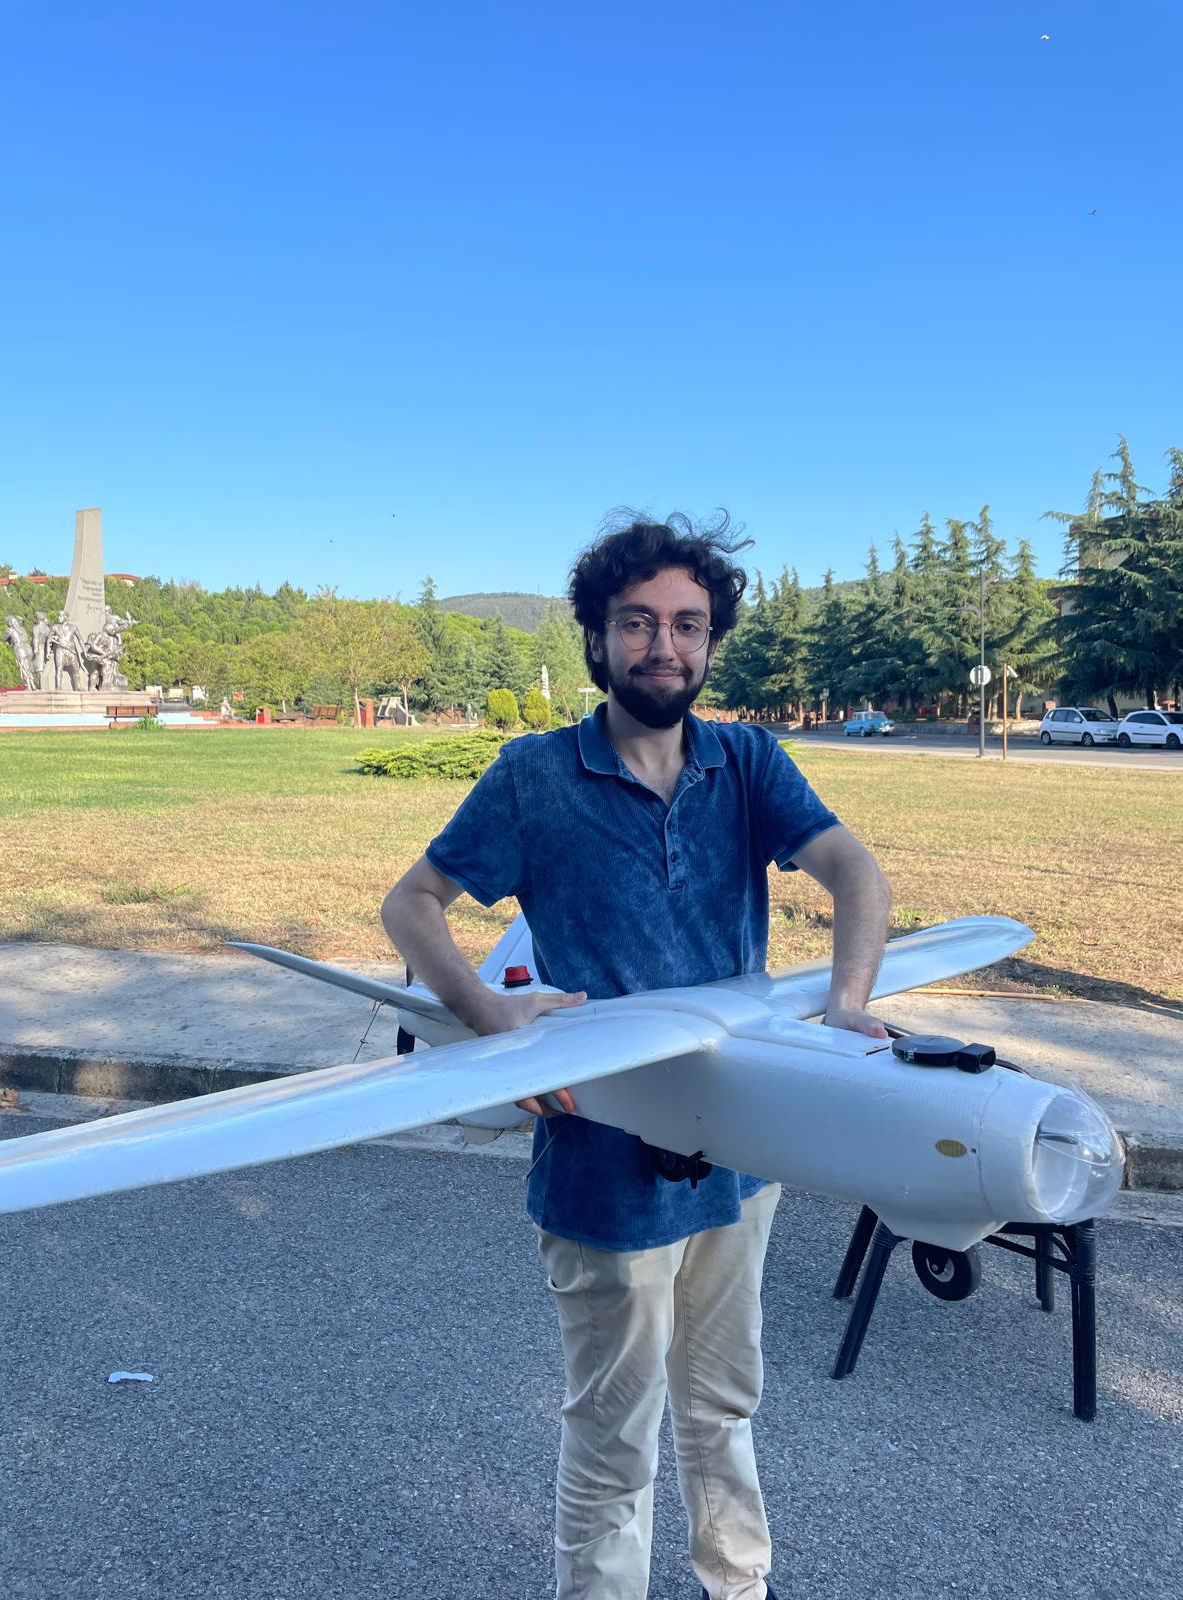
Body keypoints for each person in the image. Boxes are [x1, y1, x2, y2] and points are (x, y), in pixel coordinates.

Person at [381, 512, 892, 1600]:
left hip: (739, 1156)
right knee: (615, 1440)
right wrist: (487, 1012)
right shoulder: (534, 776)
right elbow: (412, 901)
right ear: (598, 638)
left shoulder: (746, 761)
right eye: (638, 622)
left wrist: (847, 1004)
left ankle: (737, 1583)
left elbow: (855, 871)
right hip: (602, 1167)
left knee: (724, 1404)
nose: (665, 645)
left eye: (687, 625)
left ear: (711, 642)